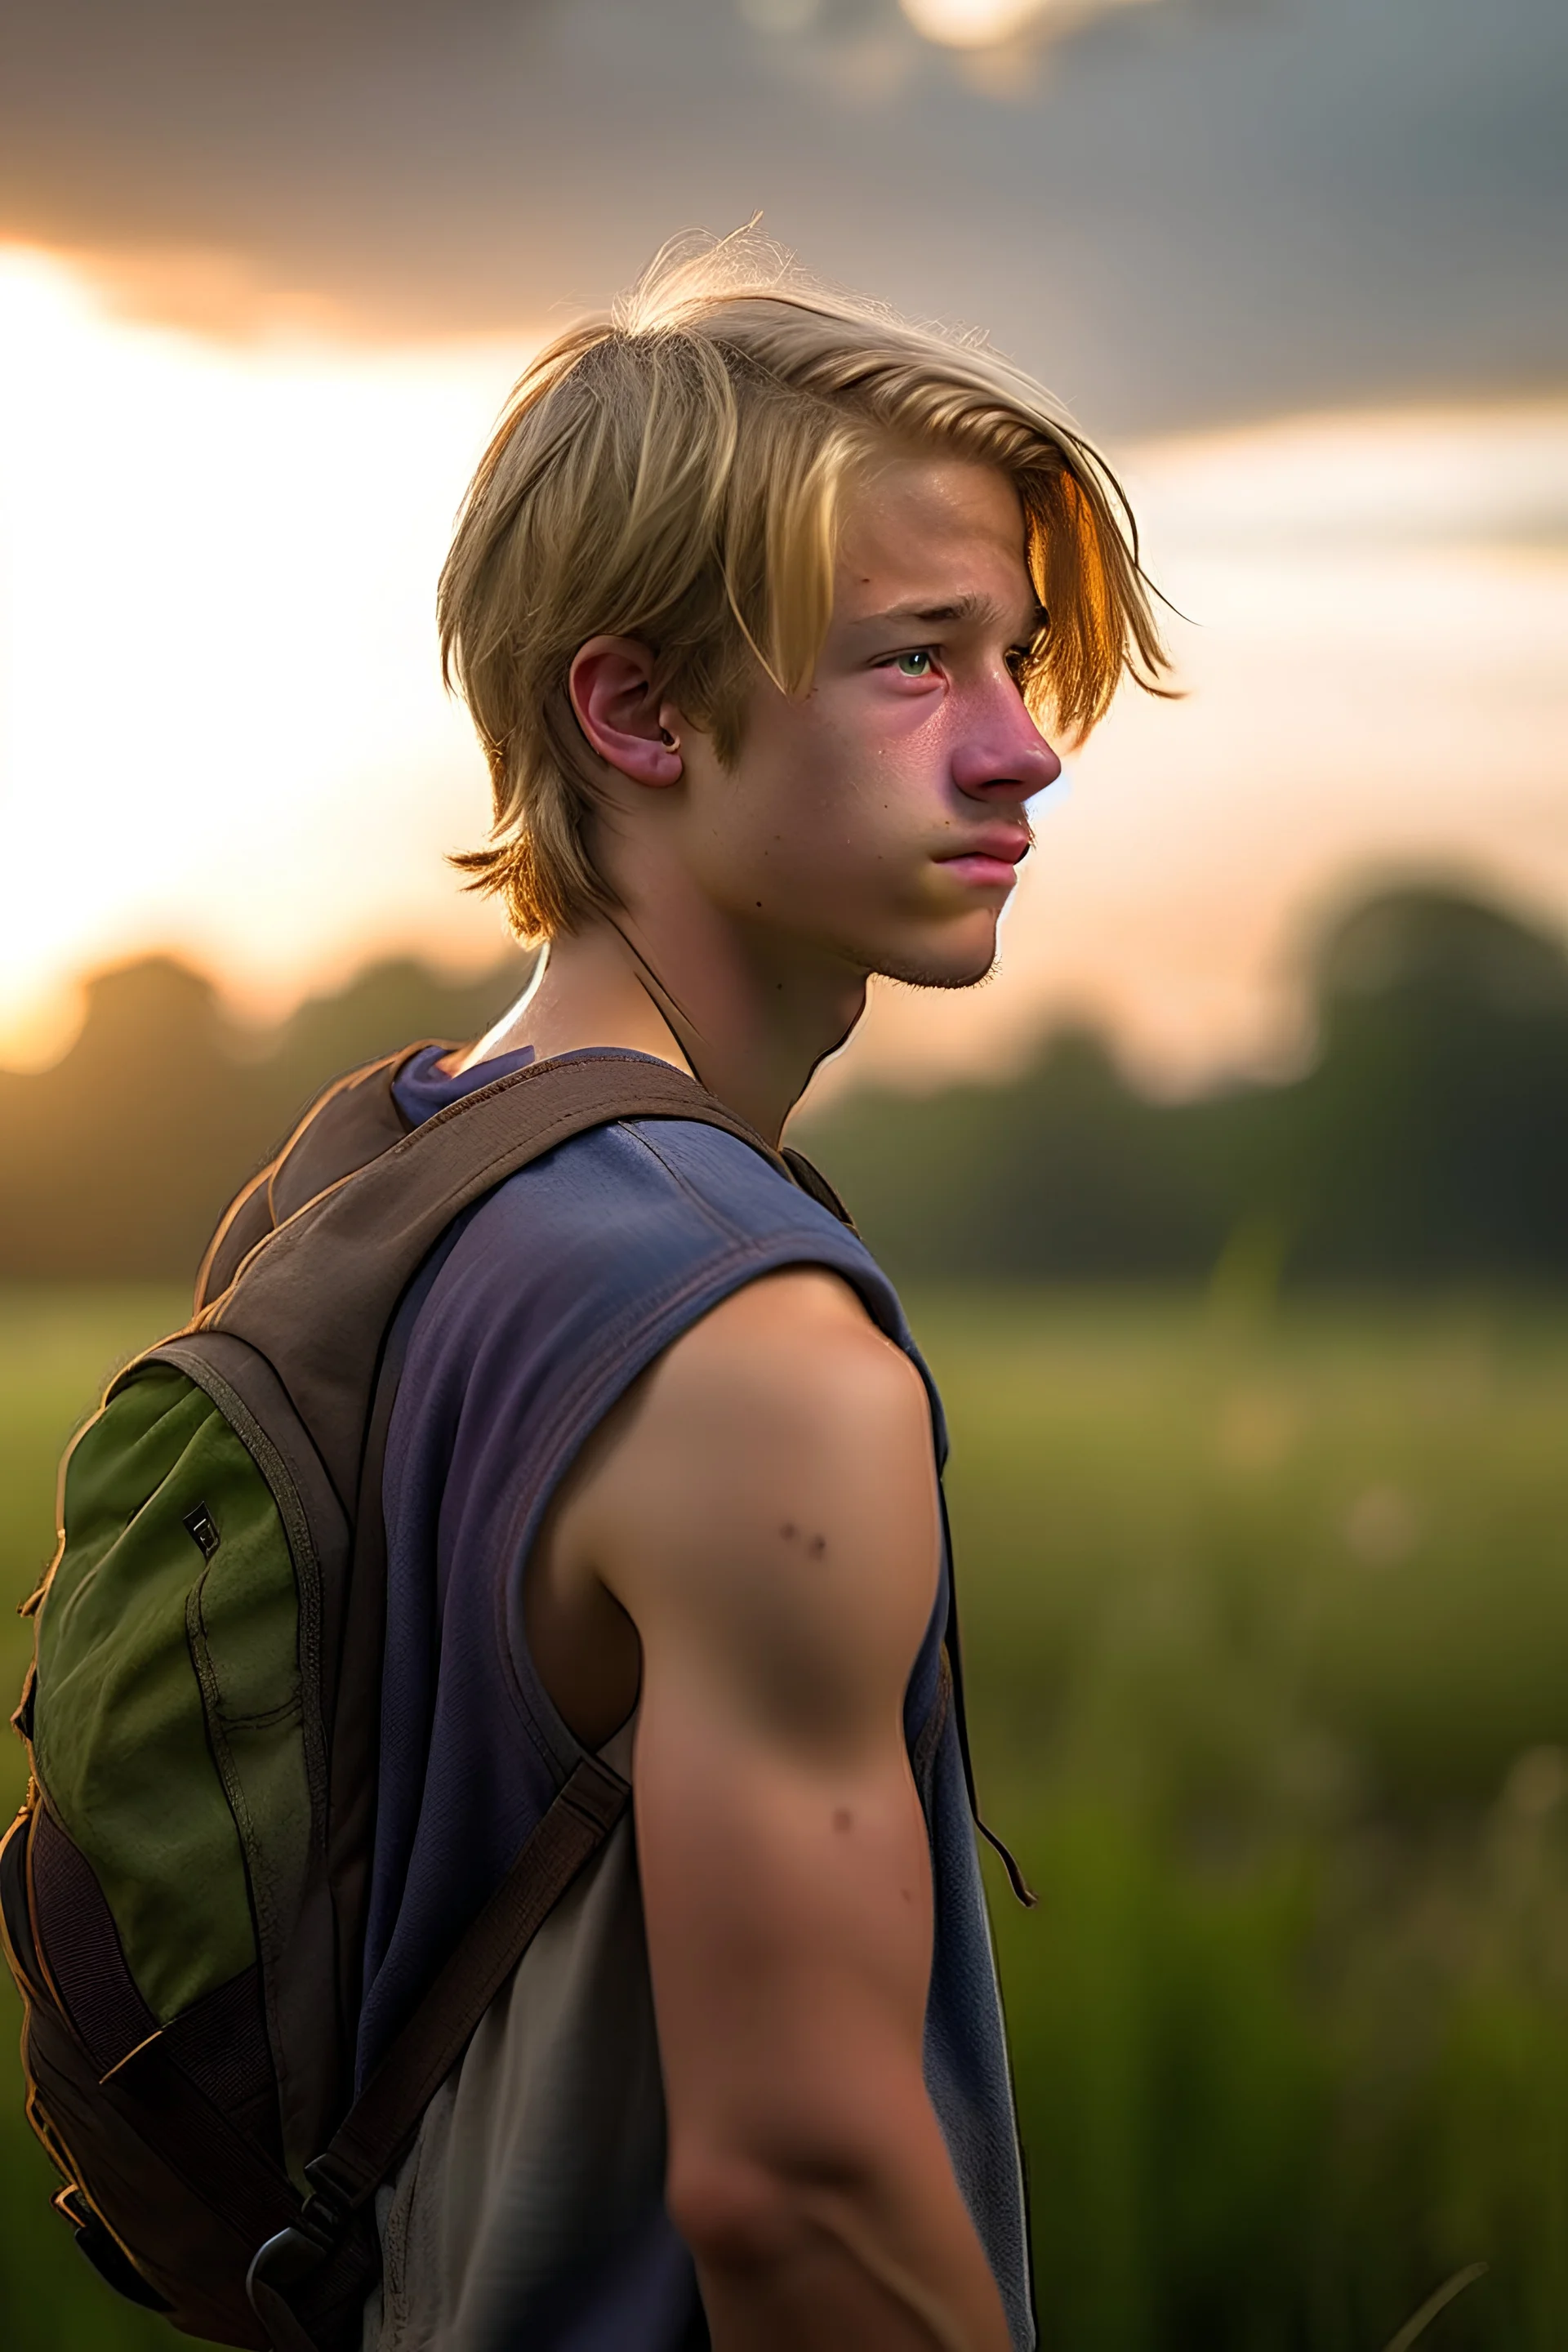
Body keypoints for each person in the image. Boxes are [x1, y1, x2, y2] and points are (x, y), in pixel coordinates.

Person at [357, 229, 1167, 2352]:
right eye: (917, 660)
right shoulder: (754, 1347)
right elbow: (801, 2193)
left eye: (1015, 661)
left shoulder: (393, 1179)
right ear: (632, 708)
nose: (1023, 752)